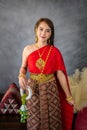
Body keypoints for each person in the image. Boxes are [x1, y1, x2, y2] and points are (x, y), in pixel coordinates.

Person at [18, 18, 74, 130]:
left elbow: (60, 75)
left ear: (51, 33)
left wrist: (69, 96)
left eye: (48, 30)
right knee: (34, 121)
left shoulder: (54, 51)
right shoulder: (27, 49)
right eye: (41, 29)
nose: (43, 33)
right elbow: (23, 67)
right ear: (36, 30)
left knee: (53, 121)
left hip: (51, 90)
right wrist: (21, 75)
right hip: (33, 90)